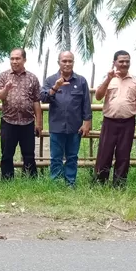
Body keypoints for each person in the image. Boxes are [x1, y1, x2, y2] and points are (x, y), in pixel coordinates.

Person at [93, 51, 136, 186]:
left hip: (128, 122)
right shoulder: (108, 78)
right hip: (110, 121)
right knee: (105, 152)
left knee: (124, 154)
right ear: (114, 62)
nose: (124, 64)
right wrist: (108, 79)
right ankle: (100, 182)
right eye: (121, 61)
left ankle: (119, 184)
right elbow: (98, 96)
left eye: (127, 61)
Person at [41, 51, 92, 186]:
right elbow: (43, 98)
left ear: (73, 62)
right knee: (56, 157)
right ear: (59, 62)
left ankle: (70, 183)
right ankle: (56, 182)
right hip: (56, 126)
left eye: (70, 61)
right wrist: (55, 87)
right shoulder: (50, 80)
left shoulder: (81, 81)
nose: (67, 64)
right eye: (64, 61)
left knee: (72, 157)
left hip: (75, 127)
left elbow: (86, 103)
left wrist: (87, 123)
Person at [0, 48, 42, 179]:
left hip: (27, 122)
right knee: (7, 154)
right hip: (9, 121)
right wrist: (6, 88)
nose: (14, 61)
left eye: (17, 58)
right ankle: (7, 180)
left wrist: (39, 123)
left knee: (29, 154)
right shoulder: (3, 76)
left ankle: (30, 180)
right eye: (12, 58)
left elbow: (36, 101)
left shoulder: (32, 78)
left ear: (24, 60)